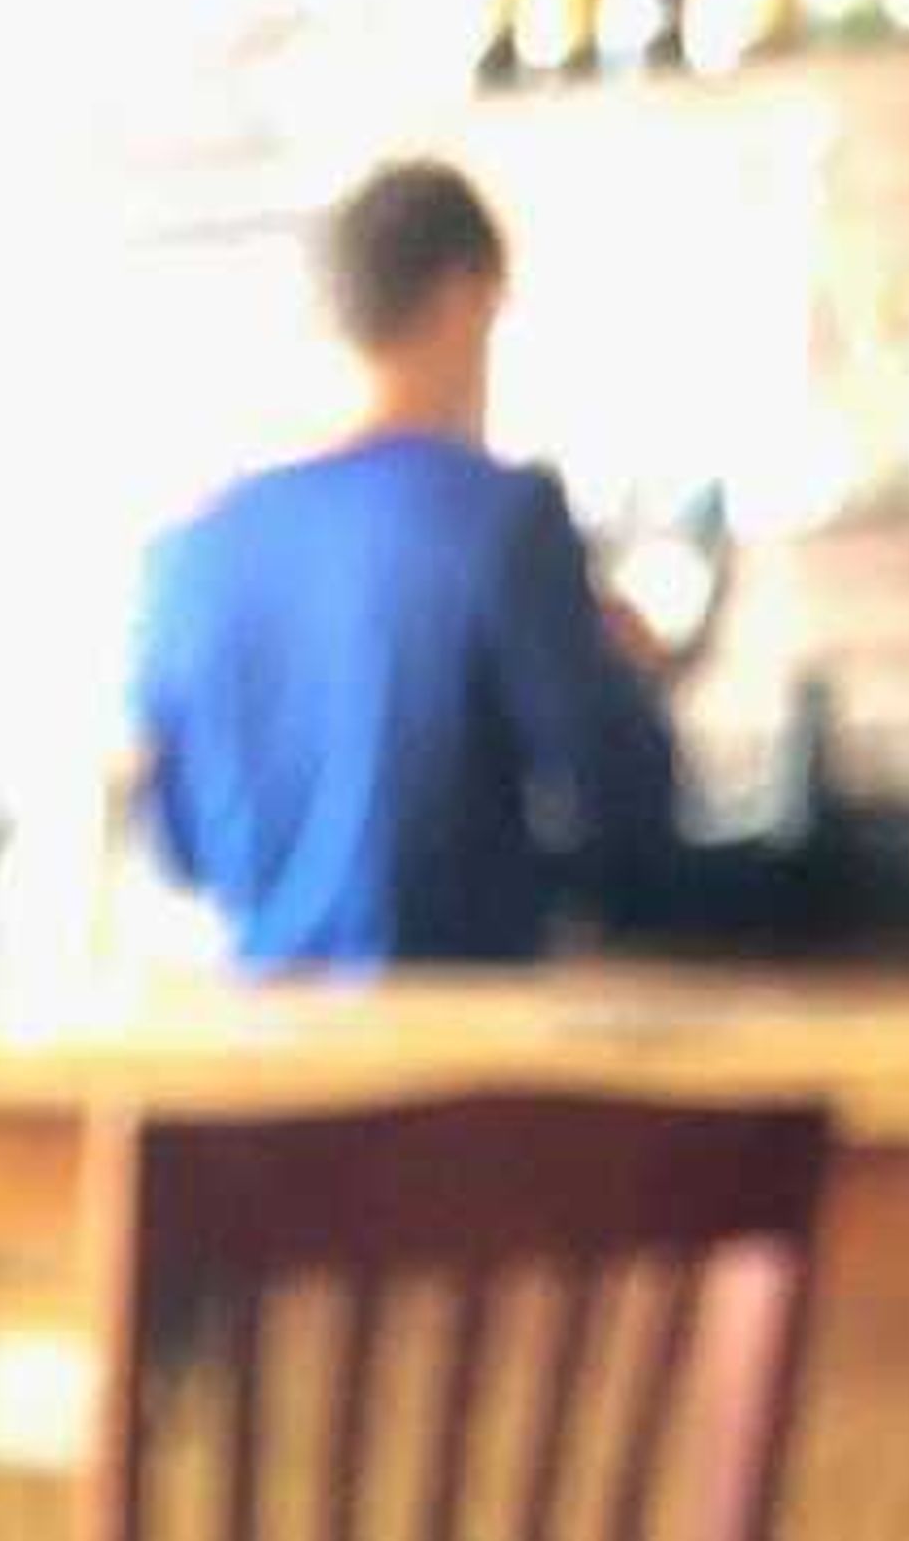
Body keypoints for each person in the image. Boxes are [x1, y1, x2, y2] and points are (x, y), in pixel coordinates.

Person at [128, 159, 688, 977]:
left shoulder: (195, 548)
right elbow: (627, 825)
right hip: (469, 1066)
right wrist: (636, 679)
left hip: (262, 1064)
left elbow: (180, 847)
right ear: (467, 297)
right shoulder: (504, 521)